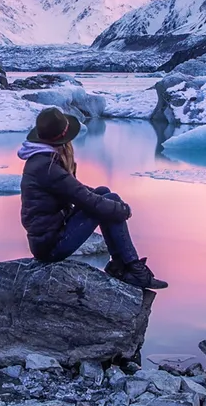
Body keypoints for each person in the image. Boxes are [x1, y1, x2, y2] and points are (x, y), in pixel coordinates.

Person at [18, 106, 167, 290]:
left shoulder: (43, 160)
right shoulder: (47, 168)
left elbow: (77, 191)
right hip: (51, 246)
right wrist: (123, 210)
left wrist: (113, 206)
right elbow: (85, 199)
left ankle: (122, 265)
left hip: (49, 236)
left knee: (104, 193)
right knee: (106, 203)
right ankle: (132, 268)